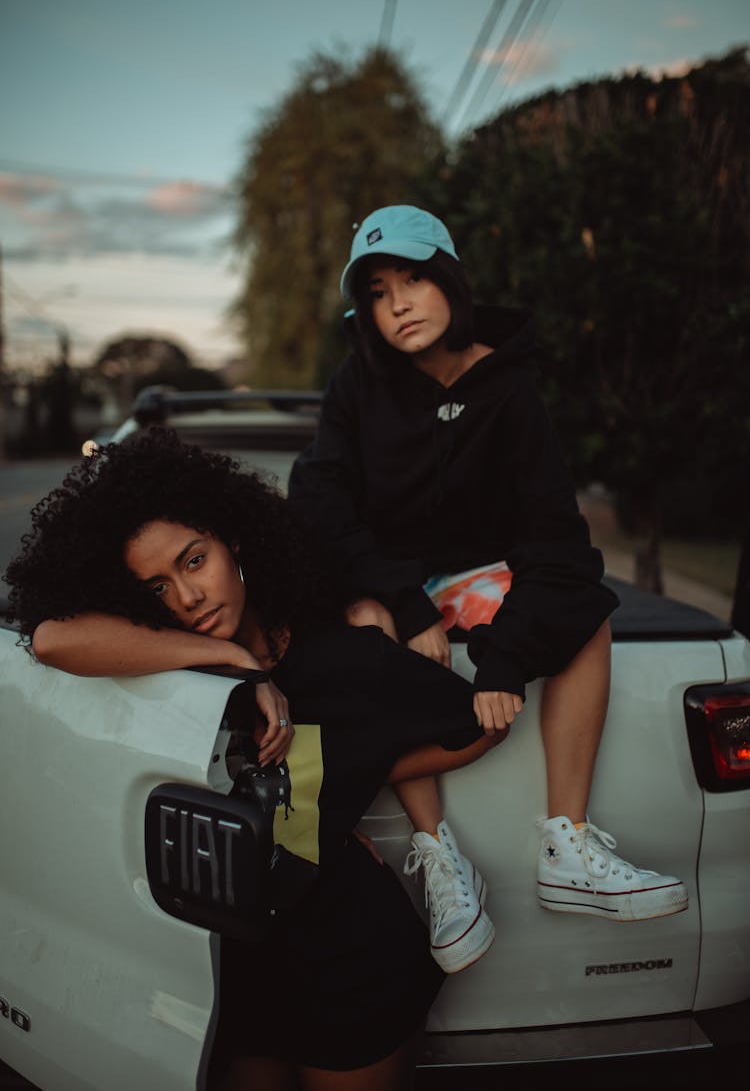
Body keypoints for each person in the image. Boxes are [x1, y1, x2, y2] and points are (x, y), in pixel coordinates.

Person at [5, 428, 506, 1091]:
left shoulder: (341, 656)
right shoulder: (166, 664)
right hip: (231, 973)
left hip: (349, 963)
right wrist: (232, 661)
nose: (187, 598)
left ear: (232, 539)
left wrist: (343, 775)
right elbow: (50, 637)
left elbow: (476, 722)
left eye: (193, 560)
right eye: (154, 587)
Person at [288, 203, 689, 931]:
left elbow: (555, 541)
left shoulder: (509, 390)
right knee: (366, 621)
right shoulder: (358, 384)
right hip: (391, 582)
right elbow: (318, 500)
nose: (398, 303)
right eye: (376, 292)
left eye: (412, 278)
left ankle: (567, 843)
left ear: (449, 276)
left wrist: (504, 659)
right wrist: (404, 602)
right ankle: (440, 853)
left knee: (584, 608)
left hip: (480, 578)